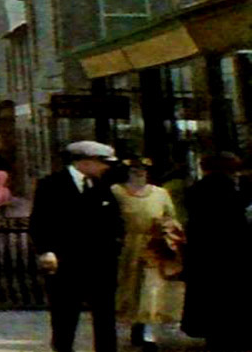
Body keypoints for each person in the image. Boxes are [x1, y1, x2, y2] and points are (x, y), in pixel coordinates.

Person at [30, 141, 124, 352]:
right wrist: (46, 250)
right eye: (102, 162)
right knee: (65, 316)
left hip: (101, 263)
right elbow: (39, 222)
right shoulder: (52, 185)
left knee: (105, 317)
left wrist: (115, 245)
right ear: (86, 161)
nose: (106, 167)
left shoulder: (101, 186)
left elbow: (114, 221)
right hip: (66, 262)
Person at [181, 152, 252, 350]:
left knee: (209, 301)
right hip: (232, 256)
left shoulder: (195, 191)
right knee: (232, 301)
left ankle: (213, 337)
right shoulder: (232, 191)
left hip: (203, 256)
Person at [109, 157, 182, 348]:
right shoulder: (116, 192)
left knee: (152, 288)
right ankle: (135, 324)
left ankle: (149, 333)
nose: (139, 173)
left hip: (153, 246)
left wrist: (166, 229)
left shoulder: (160, 193)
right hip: (128, 246)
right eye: (134, 170)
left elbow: (171, 217)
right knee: (131, 288)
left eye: (142, 170)